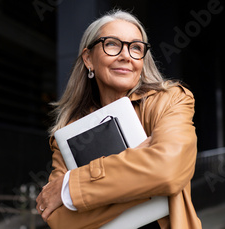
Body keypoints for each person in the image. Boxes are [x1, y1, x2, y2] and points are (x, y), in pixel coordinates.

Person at [36, 9, 202, 229]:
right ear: (88, 59)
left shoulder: (170, 100)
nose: (126, 55)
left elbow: (168, 172)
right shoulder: (69, 132)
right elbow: (59, 220)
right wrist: (144, 176)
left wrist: (71, 188)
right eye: (112, 44)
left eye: (136, 48)